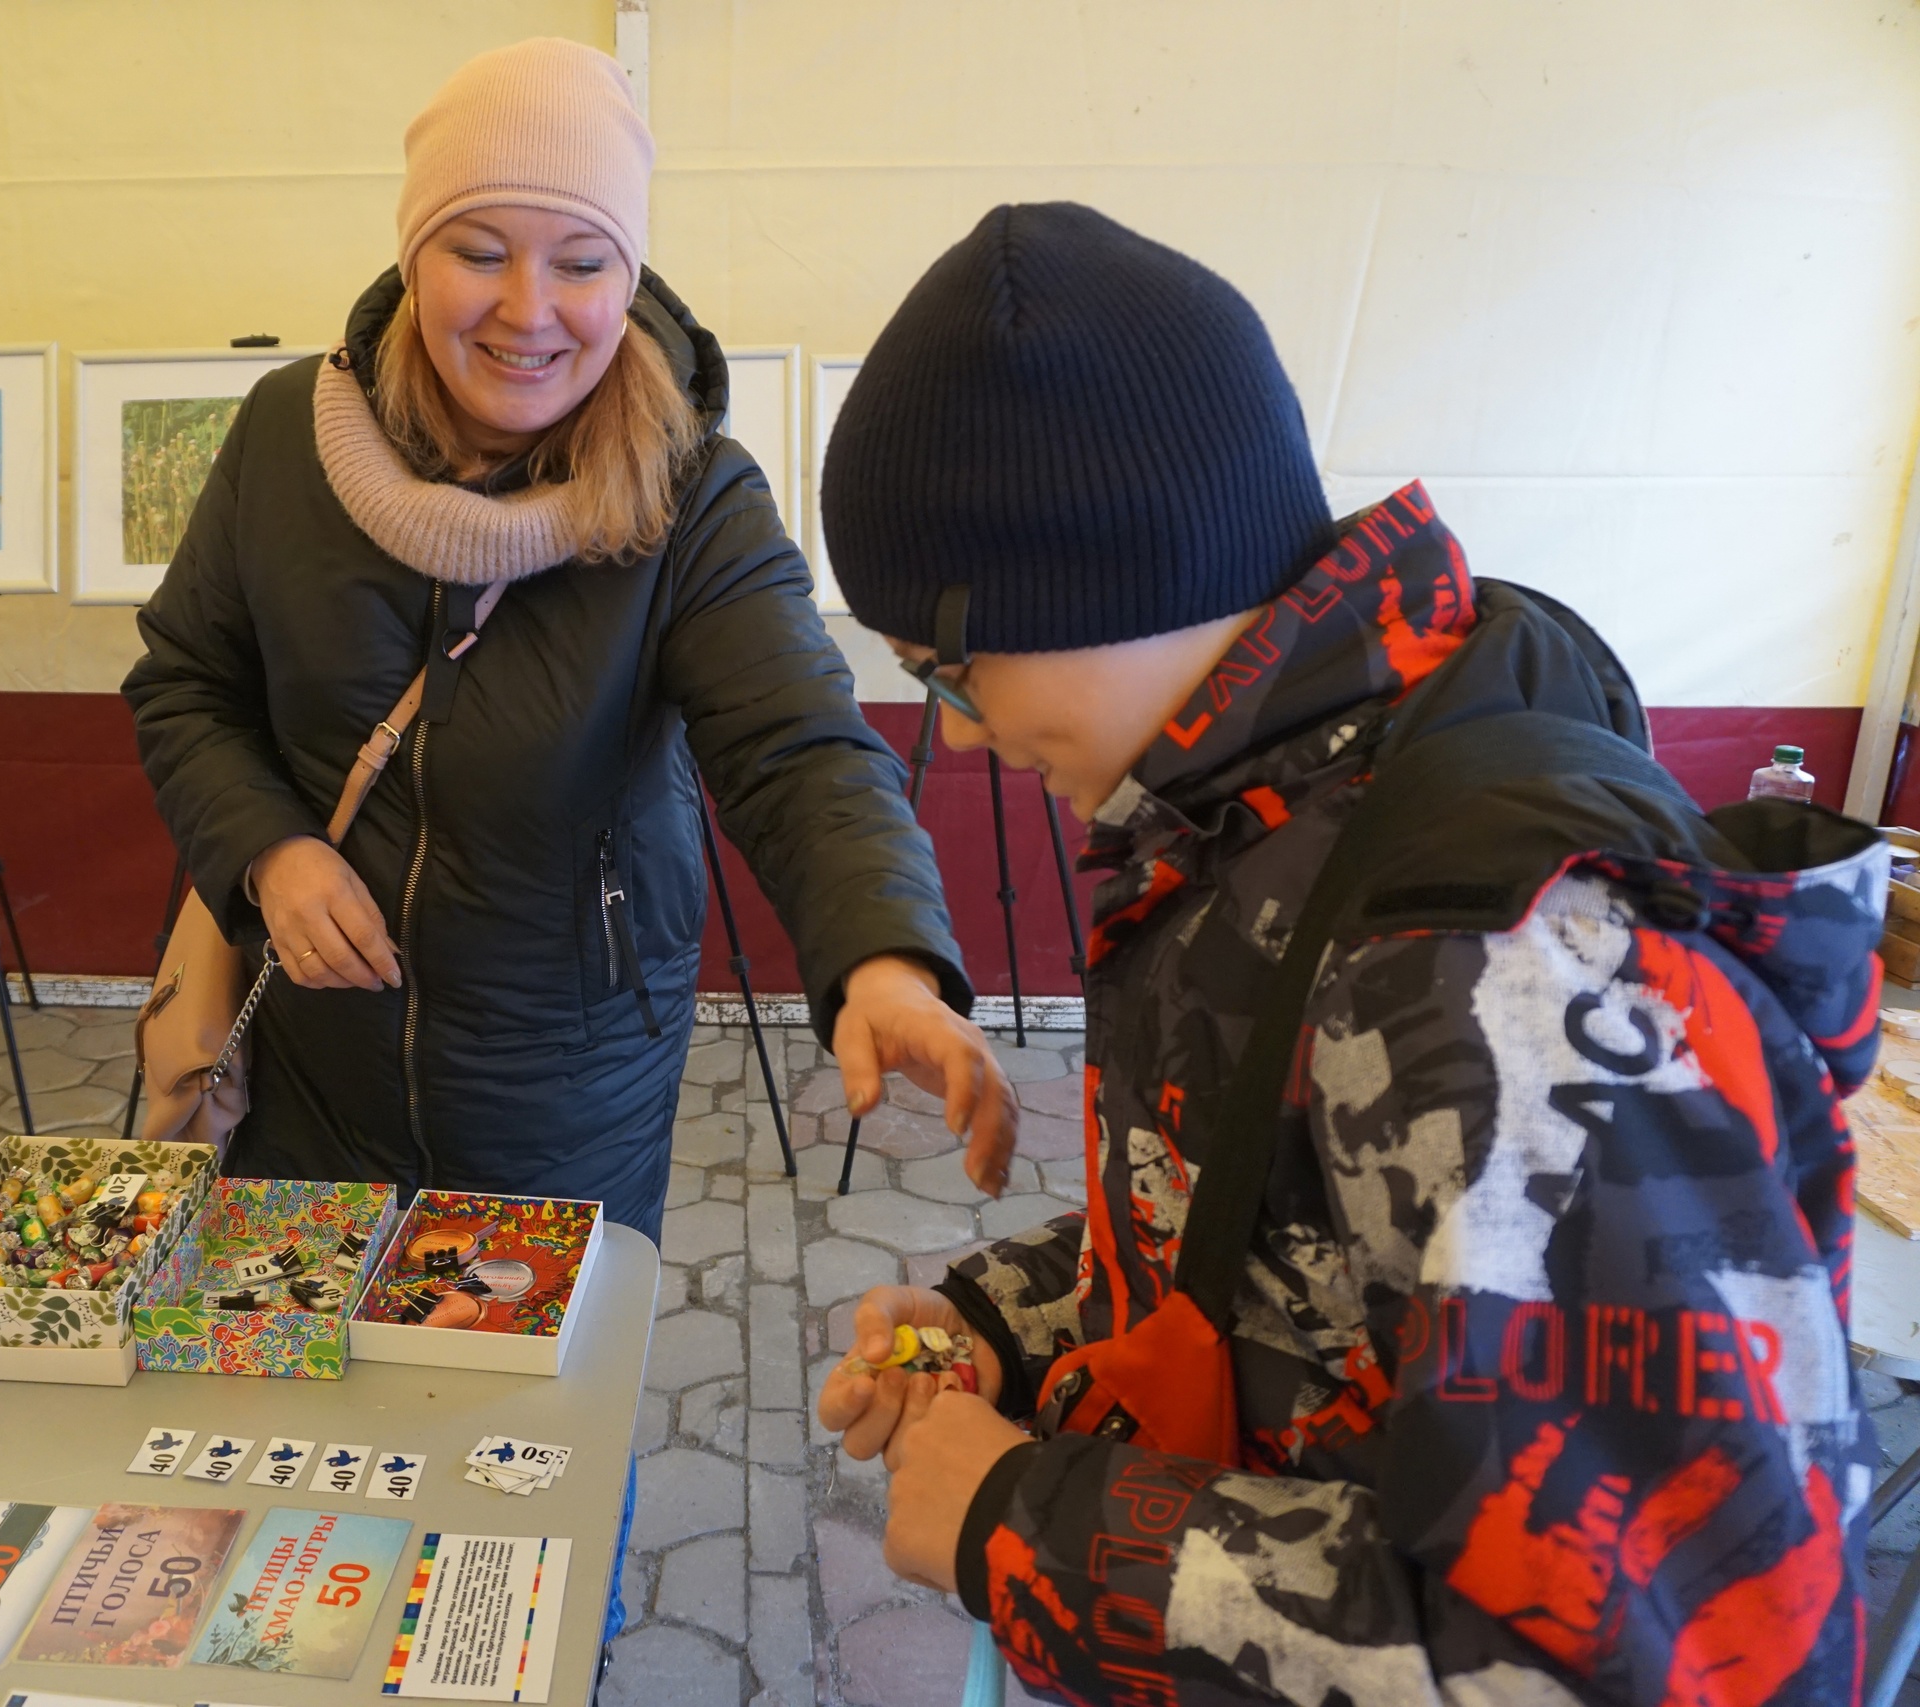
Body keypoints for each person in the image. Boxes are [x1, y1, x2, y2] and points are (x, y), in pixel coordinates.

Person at [814, 203, 1881, 1703]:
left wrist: (1024, 1528)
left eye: (946, 671)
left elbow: (1644, 1664)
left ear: (1099, 576)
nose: (968, 733)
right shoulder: (1267, 817)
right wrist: (1011, 1323)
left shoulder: (1503, 969)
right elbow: (1290, 1248)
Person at [122, 36, 1017, 1240]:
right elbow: (185, 684)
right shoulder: (290, 433)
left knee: (523, 1369)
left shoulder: (692, 495)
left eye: (580, 263)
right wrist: (268, 852)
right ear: (413, 256)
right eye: (478, 252)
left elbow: (798, 749)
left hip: (567, 1090)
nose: (528, 310)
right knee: (298, 1353)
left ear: (626, 275)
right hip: (311, 1074)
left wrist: (886, 961)